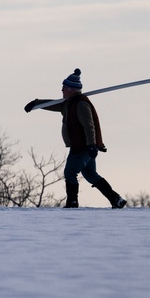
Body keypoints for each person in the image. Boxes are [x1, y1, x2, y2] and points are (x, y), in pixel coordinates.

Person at [25, 69, 126, 209]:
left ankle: (72, 202)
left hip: (82, 147)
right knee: (91, 174)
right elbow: (54, 104)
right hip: (85, 147)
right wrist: (36, 104)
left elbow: (89, 126)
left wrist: (91, 145)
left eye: (64, 88)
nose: (61, 90)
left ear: (71, 89)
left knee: (70, 173)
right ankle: (116, 199)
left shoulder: (81, 105)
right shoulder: (68, 103)